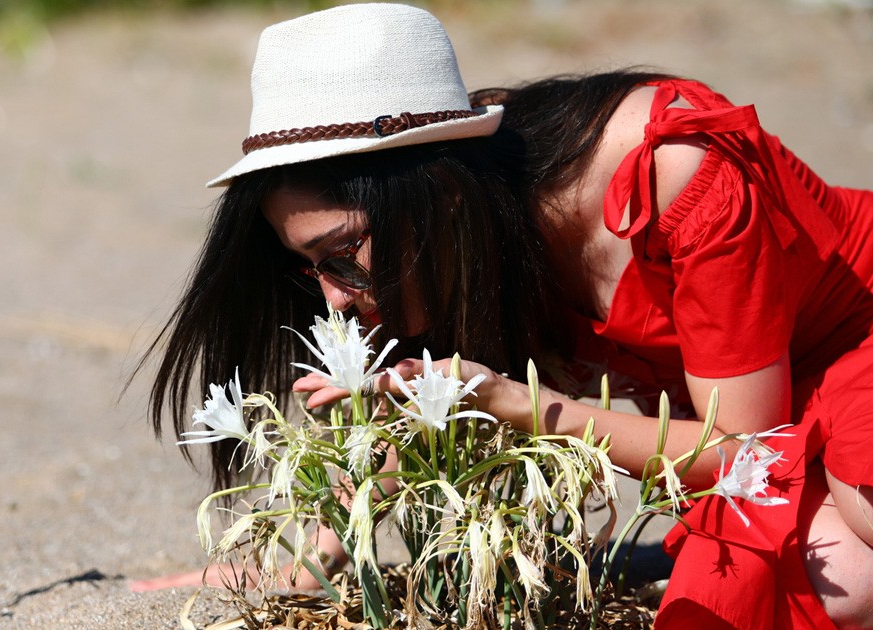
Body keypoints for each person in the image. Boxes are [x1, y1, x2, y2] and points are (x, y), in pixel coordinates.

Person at [130, 3, 873, 628]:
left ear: (437, 196)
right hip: (773, 411)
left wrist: (513, 403)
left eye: (343, 252)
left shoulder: (668, 168)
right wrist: (309, 562)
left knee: (858, 513)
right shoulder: (468, 218)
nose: (333, 296)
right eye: (313, 265)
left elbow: (745, 455)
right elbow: (420, 396)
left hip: (851, 341)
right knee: (839, 576)